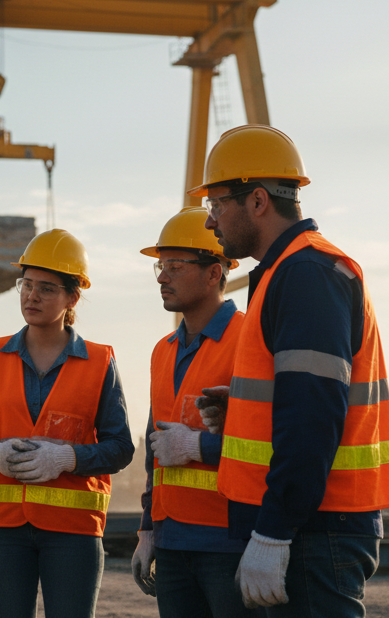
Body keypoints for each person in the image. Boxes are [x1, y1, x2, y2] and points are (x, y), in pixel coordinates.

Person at [193, 124, 389, 615]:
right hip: (310, 523)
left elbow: (312, 414)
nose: (209, 220)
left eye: (217, 203)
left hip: (315, 529)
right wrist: (243, 410)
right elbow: (300, 396)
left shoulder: (307, 274)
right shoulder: (289, 271)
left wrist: (274, 531)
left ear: (258, 200)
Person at [0, 229, 134, 618]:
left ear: (73, 297)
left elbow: (120, 448)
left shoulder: (99, 363)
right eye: (27, 284)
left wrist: (67, 459)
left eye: (46, 288)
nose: (31, 296)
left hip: (73, 531)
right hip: (1, 530)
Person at [128, 207, 257, 618]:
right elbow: (154, 451)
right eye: (160, 267)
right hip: (171, 543)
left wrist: (198, 447)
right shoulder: (162, 351)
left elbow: (268, 442)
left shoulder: (249, 340)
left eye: (175, 266)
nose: (162, 278)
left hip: (230, 542)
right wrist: (148, 529)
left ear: (214, 273)